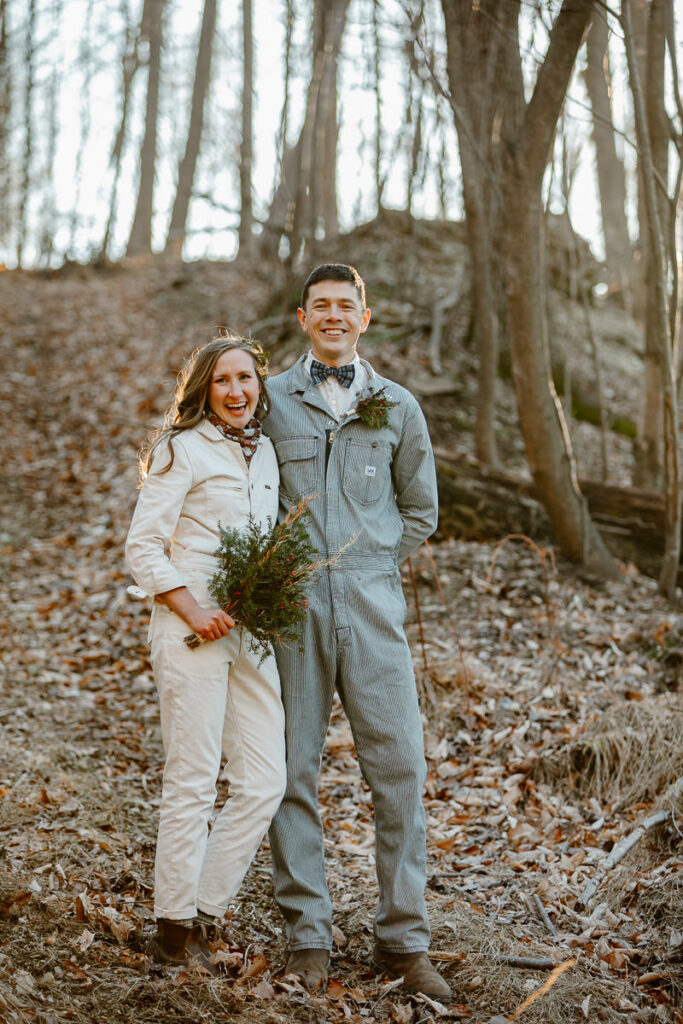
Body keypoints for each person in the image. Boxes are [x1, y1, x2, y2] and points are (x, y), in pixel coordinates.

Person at [263, 264, 452, 1002]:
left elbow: (421, 511)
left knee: (401, 769)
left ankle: (404, 941)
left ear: (364, 318)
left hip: (373, 616)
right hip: (294, 615)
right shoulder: (270, 399)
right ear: (301, 316)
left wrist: (370, 564)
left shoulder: (396, 405)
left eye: (347, 305)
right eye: (321, 306)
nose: (334, 315)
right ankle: (306, 934)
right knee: (290, 770)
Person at [125, 335, 286, 971]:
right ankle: (172, 934)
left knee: (263, 781)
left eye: (246, 379)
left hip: (250, 629)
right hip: (189, 628)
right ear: (203, 390)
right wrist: (191, 607)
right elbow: (143, 546)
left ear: (259, 386)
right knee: (191, 778)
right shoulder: (180, 449)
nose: (237, 391)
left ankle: (206, 911)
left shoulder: (267, 452)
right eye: (222, 381)